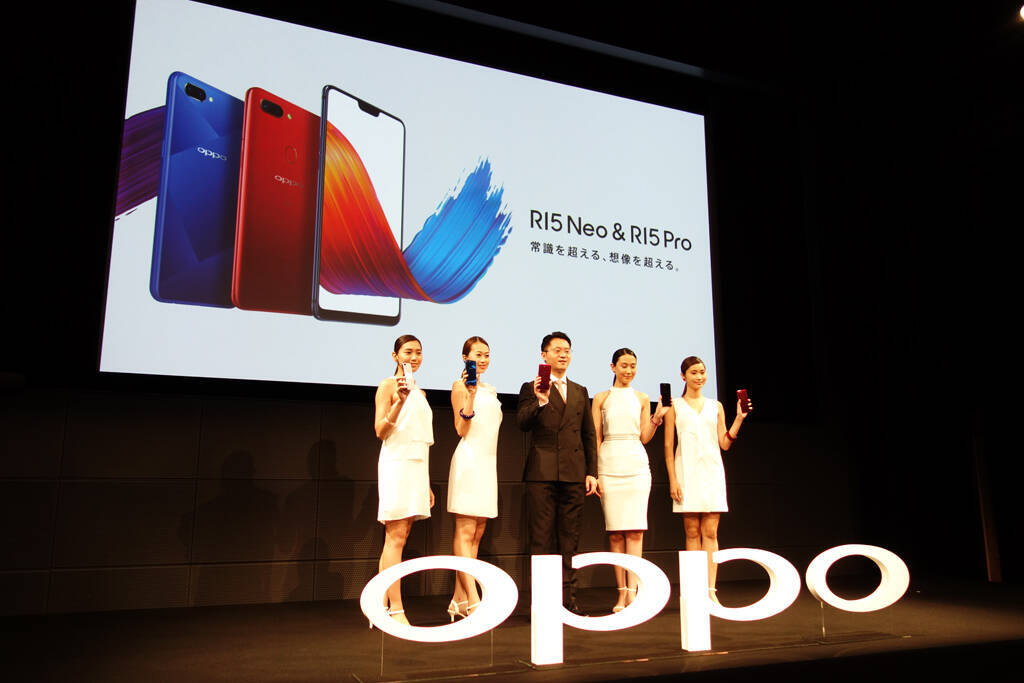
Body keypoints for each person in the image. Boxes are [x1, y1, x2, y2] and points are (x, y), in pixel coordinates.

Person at [517, 331, 599, 614]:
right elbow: (522, 423)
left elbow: (589, 434)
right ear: (544, 355)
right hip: (542, 473)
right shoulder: (531, 387)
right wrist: (540, 400)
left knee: (570, 539)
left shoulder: (580, 391)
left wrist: (592, 471)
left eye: (567, 350)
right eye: (557, 350)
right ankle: (542, 603)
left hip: (574, 473)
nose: (563, 354)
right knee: (541, 540)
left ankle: (568, 600)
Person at [663, 355, 751, 603]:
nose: (699, 376)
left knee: (710, 532)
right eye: (694, 372)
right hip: (686, 471)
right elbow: (668, 447)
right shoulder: (675, 406)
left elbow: (724, 443)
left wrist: (739, 419)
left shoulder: (716, 406)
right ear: (683, 376)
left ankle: (710, 590)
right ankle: (695, 590)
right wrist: (673, 480)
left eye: (702, 372)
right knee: (692, 532)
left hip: (712, 472)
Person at [591, 348, 669, 612]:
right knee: (615, 533)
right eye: (624, 365)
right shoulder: (601, 398)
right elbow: (596, 437)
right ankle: (621, 593)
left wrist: (657, 418)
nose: (629, 370)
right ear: (612, 367)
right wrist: (597, 473)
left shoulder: (642, 397)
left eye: (633, 365)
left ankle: (634, 592)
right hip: (609, 464)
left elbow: (644, 436)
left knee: (635, 531)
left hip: (636, 465)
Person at [372, 334, 434, 625]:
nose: (414, 357)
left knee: (401, 535)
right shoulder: (387, 386)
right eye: (408, 352)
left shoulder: (421, 393)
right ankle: (395, 608)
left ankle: (379, 605)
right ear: (395, 356)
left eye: (418, 352)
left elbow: (422, 438)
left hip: (417, 466)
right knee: (395, 536)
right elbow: (380, 431)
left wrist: (427, 482)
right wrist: (399, 401)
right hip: (397, 463)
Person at [446, 336, 502, 620]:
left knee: (478, 533)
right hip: (469, 461)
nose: (482, 360)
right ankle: (473, 598)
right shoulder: (460, 387)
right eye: (477, 355)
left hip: (488, 463)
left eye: (486, 355)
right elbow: (461, 429)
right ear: (465, 357)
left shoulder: (491, 390)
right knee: (465, 531)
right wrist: (469, 395)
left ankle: (458, 599)